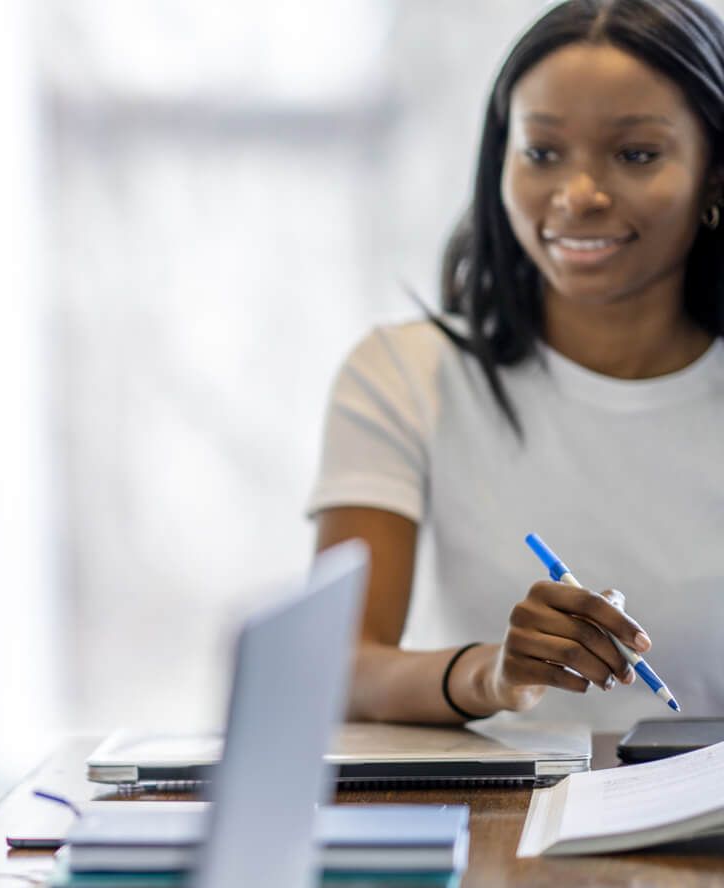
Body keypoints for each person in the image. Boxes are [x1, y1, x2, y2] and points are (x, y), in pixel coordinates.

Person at [310, 0, 724, 731]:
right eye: (541, 152)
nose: (578, 196)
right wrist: (492, 674)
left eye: (635, 154)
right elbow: (335, 670)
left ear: (715, 177)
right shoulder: (403, 375)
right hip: (502, 821)